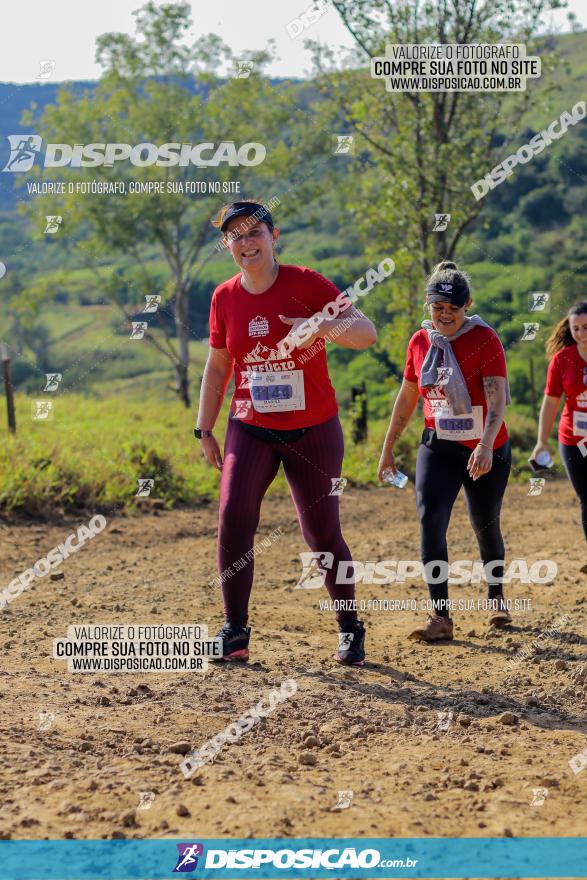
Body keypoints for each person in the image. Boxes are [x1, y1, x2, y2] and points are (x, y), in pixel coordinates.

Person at [195, 200, 377, 664]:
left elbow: (366, 333)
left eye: (255, 232)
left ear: (274, 237)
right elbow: (218, 368)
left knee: (321, 533)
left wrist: (319, 326)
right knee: (233, 520)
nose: (246, 242)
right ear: (227, 246)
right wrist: (205, 428)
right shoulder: (224, 297)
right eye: (235, 236)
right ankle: (235, 631)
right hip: (250, 425)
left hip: (313, 429)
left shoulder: (306, 283)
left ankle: (349, 627)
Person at [377, 260, 512, 641]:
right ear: (428, 306)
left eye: (453, 309)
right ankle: (441, 617)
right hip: (439, 446)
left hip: (486, 448)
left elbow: (497, 400)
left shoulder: (485, 339)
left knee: (484, 522)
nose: (445, 315)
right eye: (438, 308)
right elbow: (406, 399)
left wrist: (485, 445)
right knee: (430, 518)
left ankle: (496, 596)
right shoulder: (420, 343)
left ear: (467, 305)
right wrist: (388, 448)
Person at [531, 301, 587, 546]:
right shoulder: (562, 360)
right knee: (586, 497)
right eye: (576, 328)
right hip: (573, 439)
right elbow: (551, 403)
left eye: (586, 327)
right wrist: (541, 442)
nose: (581, 334)